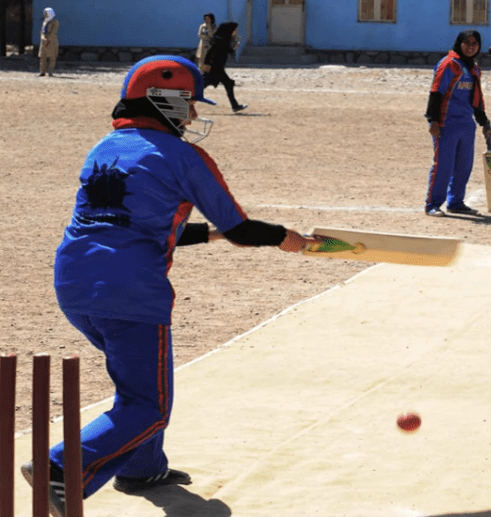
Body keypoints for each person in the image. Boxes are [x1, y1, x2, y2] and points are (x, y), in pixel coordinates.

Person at [20, 55, 318, 517]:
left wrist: (210, 235)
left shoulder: (106, 147)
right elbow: (241, 229)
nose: (194, 115)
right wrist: (284, 237)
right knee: (149, 406)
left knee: (136, 382)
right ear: (165, 101)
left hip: (75, 283)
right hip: (132, 292)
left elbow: (132, 223)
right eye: (190, 104)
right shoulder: (184, 156)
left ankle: (142, 469)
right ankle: (58, 466)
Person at [424, 30, 491, 217]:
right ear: (459, 43)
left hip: (466, 124)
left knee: (464, 166)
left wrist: (484, 122)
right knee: (443, 166)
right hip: (446, 123)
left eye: (474, 43)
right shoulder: (449, 64)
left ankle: (456, 202)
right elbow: (436, 92)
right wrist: (433, 120)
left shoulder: (474, 68)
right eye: (467, 43)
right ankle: (432, 204)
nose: (470, 47)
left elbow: (476, 98)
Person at [202, 21, 248, 113]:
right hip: (216, 67)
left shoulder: (224, 38)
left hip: (218, 67)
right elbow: (210, 51)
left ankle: (235, 106)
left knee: (204, 84)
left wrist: (235, 47)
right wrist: (206, 63)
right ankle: (235, 106)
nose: (235, 31)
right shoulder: (219, 39)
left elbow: (227, 50)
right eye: (234, 30)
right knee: (203, 84)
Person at [39, 7, 59, 77]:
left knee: (52, 57)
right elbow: (42, 31)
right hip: (44, 41)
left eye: (46, 13)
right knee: (42, 56)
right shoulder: (45, 21)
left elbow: (54, 32)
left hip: (51, 41)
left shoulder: (55, 21)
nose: (45, 14)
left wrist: (48, 39)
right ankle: (42, 72)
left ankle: (50, 72)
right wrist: (43, 38)